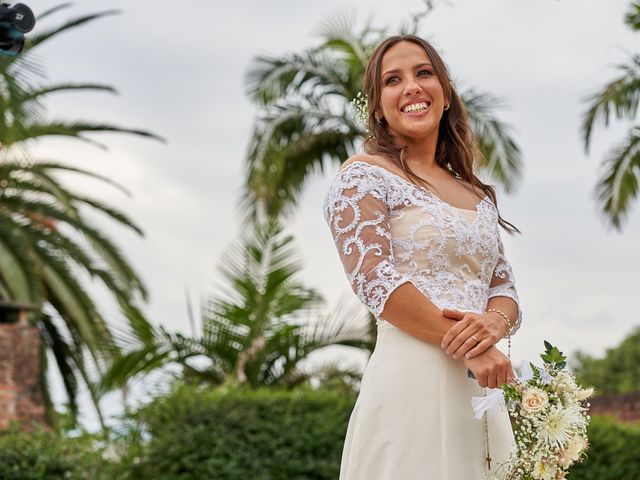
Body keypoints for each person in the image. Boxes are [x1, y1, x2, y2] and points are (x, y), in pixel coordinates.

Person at [322, 34, 523, 479]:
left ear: (445, 94)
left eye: (423, 73)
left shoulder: (477, 194)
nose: (411, 86)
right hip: (411, 381)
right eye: (393, 80)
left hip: (482, 388)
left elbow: (503, 289)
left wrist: (493, 325)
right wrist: (470, 348)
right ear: (377, 106)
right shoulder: (364, 176)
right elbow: (375, 280)